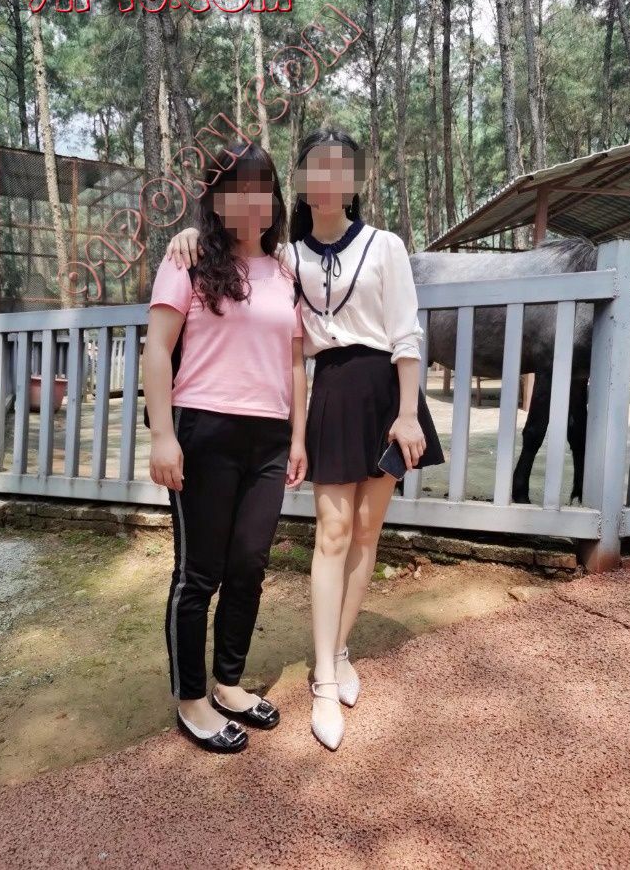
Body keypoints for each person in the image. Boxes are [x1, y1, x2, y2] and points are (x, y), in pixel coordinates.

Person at [165, 126, 444, 751]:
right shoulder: (288, 256)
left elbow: (407, 336)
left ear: (356, 180)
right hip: (335, 392)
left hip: (387, 395)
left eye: (340, 168)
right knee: (332, 533)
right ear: (299, 180)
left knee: (366, 533)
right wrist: (187, 232)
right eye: (315, 167)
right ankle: (322, 678)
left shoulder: (386, 246)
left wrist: (407, 415)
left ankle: (339, 650)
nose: (326, 179)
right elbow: (230, 249)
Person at [142, 141, 307, 754]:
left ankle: (229, 684)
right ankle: (191, 699)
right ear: (215, 200)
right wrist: (163, 435)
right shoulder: (187, 261)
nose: (251, 202)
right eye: (236, 189)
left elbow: (295, 362)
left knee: (248, 566)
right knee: (198, 574)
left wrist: (297, 437)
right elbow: (158, 349)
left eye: (262, 189)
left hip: (269, 438)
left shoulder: (285, 271)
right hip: (204, 431)